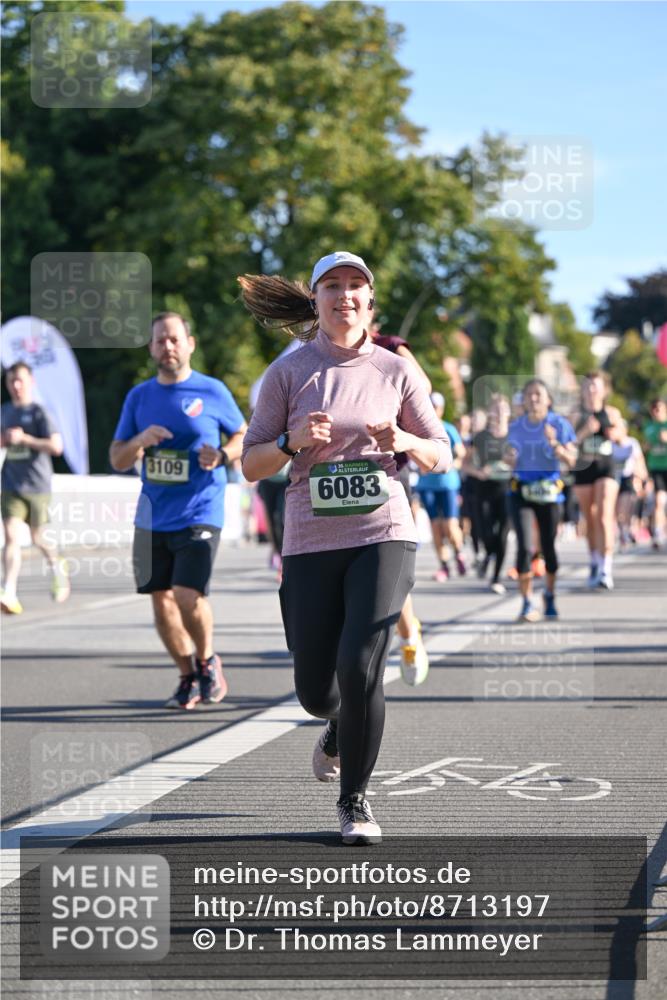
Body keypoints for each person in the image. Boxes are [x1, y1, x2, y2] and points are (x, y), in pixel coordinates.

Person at [239, 251, 452, 845]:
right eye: (332, 287)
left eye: (356, 286)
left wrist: (406, 438)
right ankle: (336, 724)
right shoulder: (288, 373)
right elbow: (251, 464)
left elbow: (441, 451)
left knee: (361, 667)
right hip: (310, 539)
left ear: (369, 301)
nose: (345, 296)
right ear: (315, 301)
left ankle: (354, 802)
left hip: (383, 531)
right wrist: (289, 441)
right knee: (316, 690)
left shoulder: (396, 369)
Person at [109, 312, 247, 709]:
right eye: (159, 341)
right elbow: (118, 458)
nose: (167, 347)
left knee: (187, 595)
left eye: (173, 339)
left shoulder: (212, 391)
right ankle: (187, 675)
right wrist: (140, 439)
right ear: (151, 349)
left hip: (200, 509)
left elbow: (243, 435)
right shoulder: (139, 397)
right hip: (152, 515)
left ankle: (207, 661)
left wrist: (221, 454)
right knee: (161, 601)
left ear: (189, 343)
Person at [370, 325, 431, 685]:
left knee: (388, 563)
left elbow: (422, 387)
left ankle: (409, 635)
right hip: (330, 475)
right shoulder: (314, 349)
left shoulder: (390, 347)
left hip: (388, 472)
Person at [1, 362, 70, 614]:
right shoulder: (4, 411)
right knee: (10, 536)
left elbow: (56, 446)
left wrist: (25, 439)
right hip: (10, 483)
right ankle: (9, 592)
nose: (16, 386)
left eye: (20, 380)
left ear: (31, 382)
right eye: (11, 381)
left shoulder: (39, 412)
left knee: (38, 537)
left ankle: (56, 565)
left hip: (37, 484)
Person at [506, 379, 578, 621]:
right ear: (524, 400)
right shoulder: (515, 427)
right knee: (525, 547)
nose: (533, 399)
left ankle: (549, 594)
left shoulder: (559, 424)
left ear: (548, 400)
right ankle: (527, 602)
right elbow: (509, 459)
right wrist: (509, 459)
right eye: (529, 395)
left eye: (538, 394)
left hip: (549, 493)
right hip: (521, 492)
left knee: (548, 548)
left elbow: (572, 461)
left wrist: (555, 444)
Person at [573, 371, 624, 589]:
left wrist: (615, 433)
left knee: (604, 515)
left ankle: (606, 567)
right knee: (590, 518)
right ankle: (594, 559)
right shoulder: (576, 414)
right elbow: (569, 442)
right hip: (583, 468)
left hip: (605, 467)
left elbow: (622, 437)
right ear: (583, 390)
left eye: (596, 386)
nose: (592, 389)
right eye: (588, 386)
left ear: (604, 389)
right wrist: (585, 431)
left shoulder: (611, 412)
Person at [415, 392, 467, 581]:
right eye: (430, 405)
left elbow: (460, 453)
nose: (433, 410)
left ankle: (459, 552)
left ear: (441, 409)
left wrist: (453, 464)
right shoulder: (418, 429)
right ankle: (444, 566)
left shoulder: (448, 428)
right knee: (435, 527)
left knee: (450, 525)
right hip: (427, 485)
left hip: (447, 484)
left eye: (436, 406)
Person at [464, 393, 512, 594]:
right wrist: (478, 472)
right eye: (495, 409)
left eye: (503, 409)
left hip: (507, 490)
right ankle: (488, 554)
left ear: (508, 412)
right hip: (483, 490)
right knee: (485, 532)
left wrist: (513, 463)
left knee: (502, 534)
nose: (499, 413)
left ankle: (496, 577)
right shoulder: (481, 437)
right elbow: (465, 464)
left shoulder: (515, 435)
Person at [613, 420, 648, 551]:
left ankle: (625, 534)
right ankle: (623, 532)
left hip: (629, 478)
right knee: (617, 511)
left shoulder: (632, 442)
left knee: (625, 508)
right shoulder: (610, 443)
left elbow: (639, 460)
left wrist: (643, 478)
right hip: (614, 479)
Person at [643, 398, 667, 550]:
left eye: (659, 408)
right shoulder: (649, 427)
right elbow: (645, 446)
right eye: (654, 409)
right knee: (659, 501)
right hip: (657, 468)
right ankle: (657, 534)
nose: (656, 412)